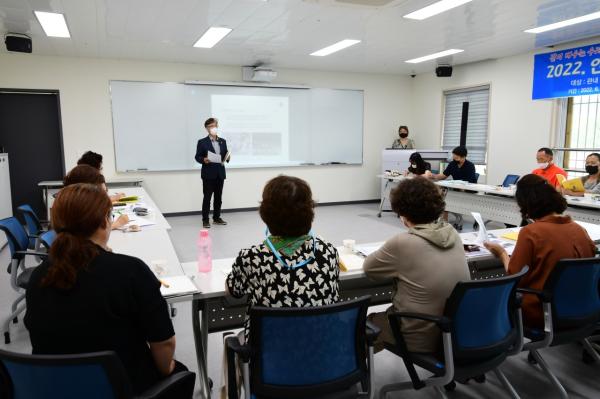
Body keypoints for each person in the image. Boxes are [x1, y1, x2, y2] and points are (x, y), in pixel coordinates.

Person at [24, 184, 192, 396]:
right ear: (105, 221)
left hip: (55, 388)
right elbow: (164, 343)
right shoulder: (131, 272)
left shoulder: (39, 276)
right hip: (120, 388)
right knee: (179, 373)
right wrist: (167, 369)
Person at [364, 177, 470, 353]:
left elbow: (370, 269)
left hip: (418, 337)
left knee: (363, 326)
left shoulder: (402, 243)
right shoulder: (452, 234)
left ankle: (354, 376)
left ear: (402, 213)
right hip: (456, 333)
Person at [226, 175, 340, 338]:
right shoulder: (328, 252)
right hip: (322, 351)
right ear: (309, 212)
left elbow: (233, 292)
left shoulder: (252, 257)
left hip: (270, 357)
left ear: (265, 214)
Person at [484, 174, 595, 329]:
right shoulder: (579, 229)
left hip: (542, 311)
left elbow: (515, 277)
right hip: (584, 306)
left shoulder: (531, 232)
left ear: (526, 204)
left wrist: (502, 253)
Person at [63, 165, 129, 230]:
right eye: (102, 195)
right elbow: (91, 231)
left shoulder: (75, 203)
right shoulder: (78, 213)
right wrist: (118, 223)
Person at [195, 117, 230, 229]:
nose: (213, 128)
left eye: (214, 126)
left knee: (218, 198)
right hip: (208, 173)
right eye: (210, 126)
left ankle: (216, 218)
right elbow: (197, 157)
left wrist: (228, 157)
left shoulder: (222, 141)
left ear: (217, 127)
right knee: (207, 198)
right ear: (206, 128)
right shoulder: (202, 142)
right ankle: (205, 220)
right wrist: (203, 159)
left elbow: (225, 156)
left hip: (220, 173)